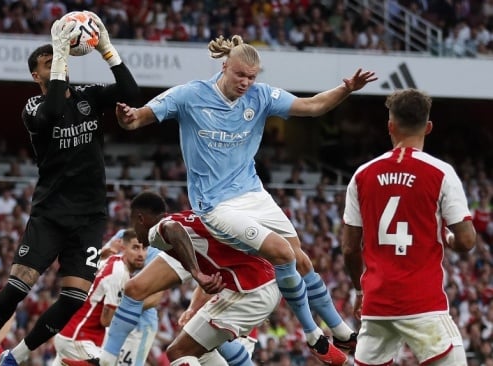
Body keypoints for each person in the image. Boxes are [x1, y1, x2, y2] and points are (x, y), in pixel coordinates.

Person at [115, 35, 376, 364]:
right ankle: (312, 335)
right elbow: (140, 117)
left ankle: (339, 330)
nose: (246, 83)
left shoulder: (261, 96)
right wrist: (129, 116)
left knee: (302, 259)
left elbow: (312, 107)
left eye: (252, 77)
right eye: (240, 75)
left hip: (253, 193)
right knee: (282, 253)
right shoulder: (190, 95)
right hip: (215, 205)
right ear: (224, 67)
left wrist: (346, 89)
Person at [0, 10, 141, 366]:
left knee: (74, 297)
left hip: (89, 215)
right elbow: (55, 110)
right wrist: (59, 53)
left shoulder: (88, 96)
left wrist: (107, 49)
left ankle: (17, 356)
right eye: (48, 61)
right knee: (17, 286)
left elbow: (132, 92)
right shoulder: (34, 107)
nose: (59, 62)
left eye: (59, 57)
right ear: (35, 74)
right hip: (51, 212)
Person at [63, 191, 276, 366]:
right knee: (137, 292)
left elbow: (174, 232)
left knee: (180, 351)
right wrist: (193, 305)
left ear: (140, 219)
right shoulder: (184, 233)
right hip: (252, 286)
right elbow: (209, 274)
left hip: (249, 291)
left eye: (134, 227)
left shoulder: (164, 231)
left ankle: (106, 362)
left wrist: (195, 273)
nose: (136, 236)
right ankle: (105, 362)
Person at [341, 88, 476, 365]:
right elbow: (466, 241)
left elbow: (349, 248)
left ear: (390, 126)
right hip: (422, 302)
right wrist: (448, 239)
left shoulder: (362, 175)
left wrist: (359, 291)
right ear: (428, 128)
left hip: (377, 303)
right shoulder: (441, 173)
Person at [51, 229, 151, 365]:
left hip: (73, 333)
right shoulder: (119, 273)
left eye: (144, 248)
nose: (141, 254)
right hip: (78, 338)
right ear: (124, 248)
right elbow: (106, 321)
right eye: (135, 248)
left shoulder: (112, 260)